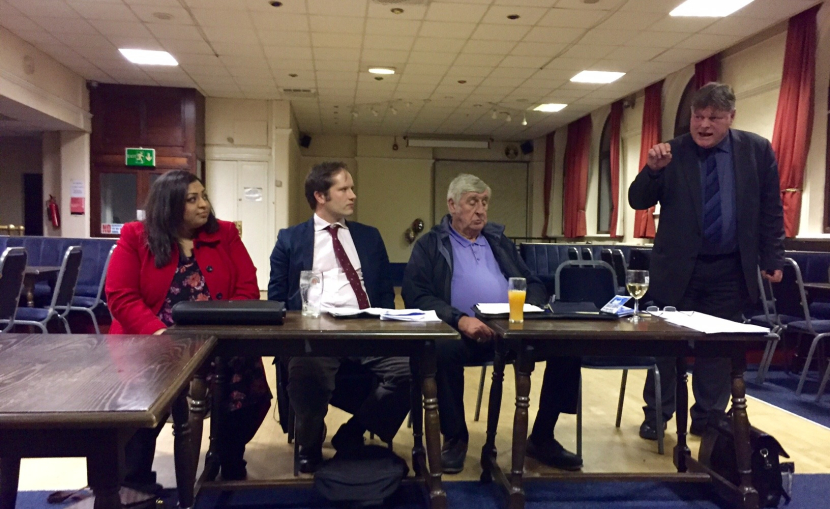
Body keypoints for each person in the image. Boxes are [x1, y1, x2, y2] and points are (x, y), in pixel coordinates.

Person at [628, 82, 785, 440]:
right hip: (677, 268)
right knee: (667, 345)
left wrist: (773, 255)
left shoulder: (757, 151)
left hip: (729, 270)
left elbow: (770, 208)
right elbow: (638, 200)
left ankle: (708, 418)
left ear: (731, 117)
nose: (704, 124)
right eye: (698, 116)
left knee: (717, 349)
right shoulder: (672, 152)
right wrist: (652, 171)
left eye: (714, 117)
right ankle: (657, 414)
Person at [402, 174, 582, 473]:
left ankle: (542, 437)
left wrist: (528, 308)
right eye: (472, 202)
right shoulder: (431, 245)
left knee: (567, 347)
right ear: (452, 205)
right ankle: (455, 438)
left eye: (484, 202)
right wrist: (460, 320)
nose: (481, 210)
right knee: (441, 352)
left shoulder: (499, 242)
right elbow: (416, 294)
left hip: (511, 331)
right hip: (462, 333)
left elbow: (532, 282)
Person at [106, 169, 272, 487]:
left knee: (245, 375)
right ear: (169, 205)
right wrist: (160, 334)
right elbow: (120, 296)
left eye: (204, 196)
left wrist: (224, 329)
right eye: (192, 199)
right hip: (152, 342)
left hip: (218, 339)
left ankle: (228, 455)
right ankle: (133, 479)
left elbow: (247, 288)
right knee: (142, 392)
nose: (203, 205)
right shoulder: (135, 236)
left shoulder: (226, 233)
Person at [268, 161, 410, 473]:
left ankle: (354, 430)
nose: (353, 195)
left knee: (414, 368)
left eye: (352, 188)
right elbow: (277, 298)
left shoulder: (369, 237)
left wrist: (384, 326)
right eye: (343, 189)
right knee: (307, 370)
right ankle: (309, 441)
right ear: (320, 196)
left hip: (367, 329)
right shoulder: (290, 239)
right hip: (316, 331)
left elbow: (384, 291)